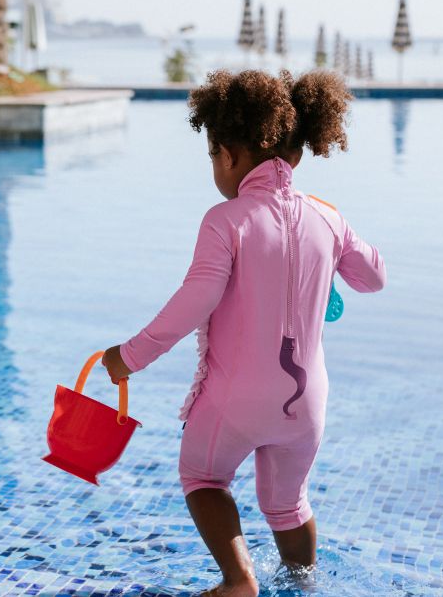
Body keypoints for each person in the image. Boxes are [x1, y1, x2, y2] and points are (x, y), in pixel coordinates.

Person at [101, 70, 386, 596]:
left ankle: (237, 581)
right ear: (296, 155)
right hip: (306, 406)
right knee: (287, 503)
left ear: (229, 155)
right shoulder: (326, 217)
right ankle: (302, 585)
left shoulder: (224, 220)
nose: (214, 166)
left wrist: (130, 356)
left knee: (204, 479)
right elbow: (373, 277)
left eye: (214, 155)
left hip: (235, 401)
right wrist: (340, 236)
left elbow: (197, 299)